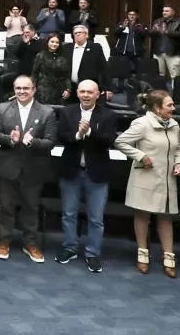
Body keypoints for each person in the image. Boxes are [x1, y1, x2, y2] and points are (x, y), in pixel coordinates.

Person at [0, 76, 56, 263]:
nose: (21, 91)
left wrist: (32, 142)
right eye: (18, 88)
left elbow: (51, 142)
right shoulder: (3, 108)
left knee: (31, 207)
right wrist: (10, 139)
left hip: (34, 168)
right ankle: (4, 241)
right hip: (7, 167)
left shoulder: (47, 112)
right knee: (6, 207)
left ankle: (30, 243)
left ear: (34, 89)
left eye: (26, 88)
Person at [115, 90, 180, 277]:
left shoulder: (174, 125)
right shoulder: (141, 124)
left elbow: (178, 148)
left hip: (167, 180)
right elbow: (121, 142)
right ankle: (142, 253)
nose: (173, 108)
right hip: (146, 177)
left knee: (166, 216)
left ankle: (169, 256)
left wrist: (178, 162)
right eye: (169, 105)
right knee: (143, 215)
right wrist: (141, 156)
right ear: (157, 108)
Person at [55, 80, 117, 273]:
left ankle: (92, 253)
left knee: (96, 217)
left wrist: (89, 132)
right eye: (82, 91)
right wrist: (78, 135)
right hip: (71, 171)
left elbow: (109, 140)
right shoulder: (67, 112)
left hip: (96, 173)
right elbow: (62, 136)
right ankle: (70, 247)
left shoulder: (108, 115)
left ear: (98, 94)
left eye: (90, 92)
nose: (86, 95)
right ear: (77, 93)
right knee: (68, 214)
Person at [31, 34, 69, 105]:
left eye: (57, 42)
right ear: (47, 42)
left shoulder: (62, 57)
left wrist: (68, 89)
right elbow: (34, 73)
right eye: (52, 41)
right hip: (43, 90)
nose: (54, 44)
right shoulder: (40, 55)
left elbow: (66, 76)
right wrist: (32, 87)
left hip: (59, 90)